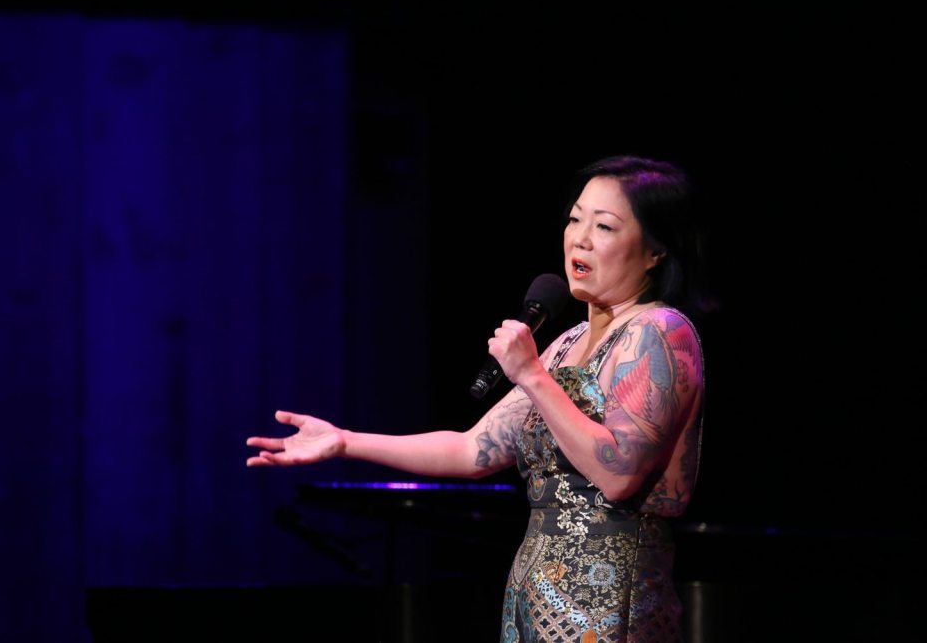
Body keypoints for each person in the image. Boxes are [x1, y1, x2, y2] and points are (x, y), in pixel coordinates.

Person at [247, 155, 713, 642]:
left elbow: (619, 474)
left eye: (605, 226)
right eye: (575, 219)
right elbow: (473, 450)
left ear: (655, 250)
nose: (580, 237)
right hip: (535, 600)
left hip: (610, 606)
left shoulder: (660, 331)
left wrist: (532, 375)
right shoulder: (566, 344)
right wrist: (345, 442)